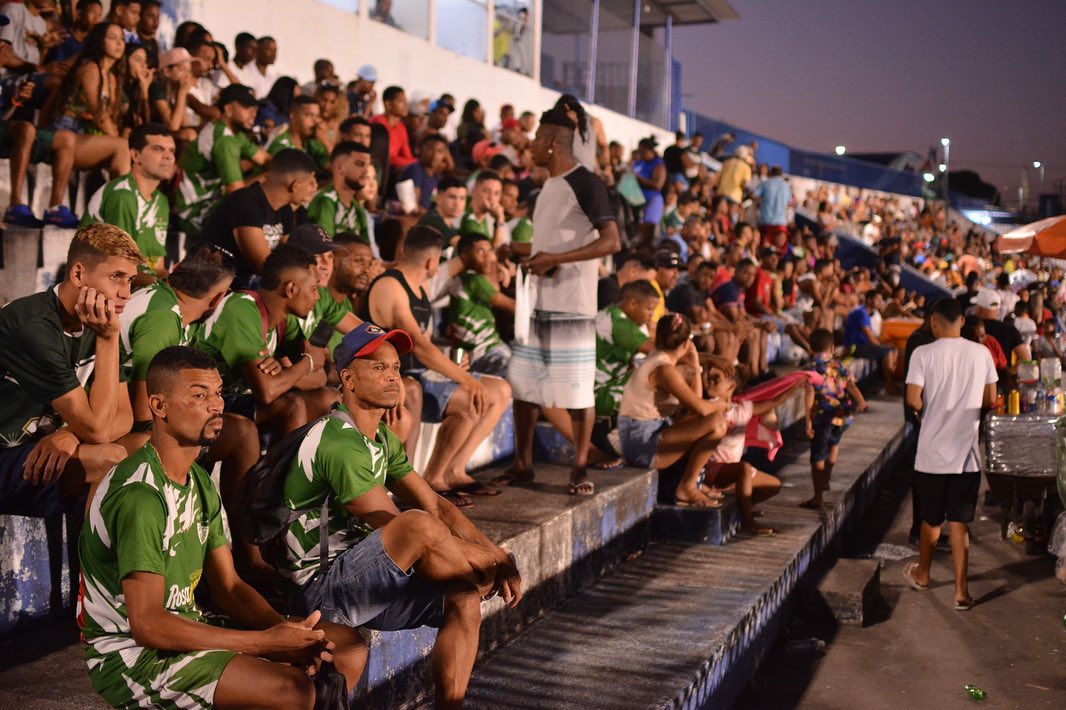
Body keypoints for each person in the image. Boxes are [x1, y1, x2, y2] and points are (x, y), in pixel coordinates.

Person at [78, 345, 365, 709]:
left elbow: (229, 588)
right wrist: (264, 643)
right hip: (132, 655)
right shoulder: (141, 495)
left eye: (217, 393)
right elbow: (147, 624)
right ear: (159, 406)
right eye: (199, 396)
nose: (216, 405)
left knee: (346, 647)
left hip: (187, 624)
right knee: (294, 690)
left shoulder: (198, 481)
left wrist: (287, 635)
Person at [279, 322, 520, 707]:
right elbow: (402, 526)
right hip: (319, 587)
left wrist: (495, 555)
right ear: (348, 380)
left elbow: (437, 504)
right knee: (417, 525)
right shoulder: (337, 441)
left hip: (359, 573)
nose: (393, 376)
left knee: (462, 596)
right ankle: (480, 574)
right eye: (378, 368)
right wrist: (492, 560)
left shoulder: (381, 438)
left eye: (394, 367)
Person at [497, 106, 621, 496]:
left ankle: (579, 467)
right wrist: (515, 249)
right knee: (524, 385)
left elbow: (611, 241)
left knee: (577, 390)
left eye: (536, 139)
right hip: (538, 300)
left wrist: (555, 259)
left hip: (573, 303)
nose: (530, 146)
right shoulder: (548, 186)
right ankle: (522, 464)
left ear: (552, 143)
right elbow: (548, 243)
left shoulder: (586, 182)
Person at [361, 226, 511, 504]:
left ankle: (453, 471)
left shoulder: (421, 286)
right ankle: (433, 479)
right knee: (471, 399)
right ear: (432, 262)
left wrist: (453, 363)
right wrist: (465, 380)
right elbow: (418, 345)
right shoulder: (391, 285)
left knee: (501, 389)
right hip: (396, 373)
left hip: (419, 370)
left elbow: (426, 342)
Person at [0, 224, 141, 517]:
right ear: (78, 274)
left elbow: (124, 415)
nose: (126, 293)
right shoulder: (32, 327)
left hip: (41, 452)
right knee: (109, 457)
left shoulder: (99, 320)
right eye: (116, 277)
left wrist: (70, 434)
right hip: (8, 457)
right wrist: (108, 339)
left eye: (130, 280)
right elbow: (99, 431)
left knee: (148, 444)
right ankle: (86, 550)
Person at [903, 298, 997, 611]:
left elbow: (913, 399)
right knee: (959, 522)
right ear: (962, 322)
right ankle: (961, 591)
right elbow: (990, 397)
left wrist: (930, 409)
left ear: (934, 322)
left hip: (931, 454)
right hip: (966, 456)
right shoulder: (981, 353)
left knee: (930, 519)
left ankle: (923, 574)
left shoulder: (922, 353)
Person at [197, 244, 339, 437]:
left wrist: (284, 373)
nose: (317, 296)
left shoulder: (284, 321)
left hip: (239, 398)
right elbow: (267, 392)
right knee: (292, 405)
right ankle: (284, 458)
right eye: (314, 288)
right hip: (206, 402)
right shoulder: (241, 309)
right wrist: (307, 363)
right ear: (291, 289)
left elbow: (320, 377)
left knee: (329, 397)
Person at [617, 313, 728, 506]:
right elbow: (702, 408)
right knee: (717, 422)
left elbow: (695, 407)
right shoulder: (665, 369)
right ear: (686, 343)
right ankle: (688, 487)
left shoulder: (658, 358)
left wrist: (695, 364)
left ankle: (693, 482)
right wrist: (721, 404)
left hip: (646, 435)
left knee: (707, 421)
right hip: (641, 444)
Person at [702, 357, 802, 535]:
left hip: (731, 470)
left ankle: (743, 506)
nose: (710, 382)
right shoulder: (708, 406)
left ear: (731, 387)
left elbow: (772, 402)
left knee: (773, 485)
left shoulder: (740, 409)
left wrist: (795, 385)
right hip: (712, 469)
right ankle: (748, 521)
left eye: (716, 379)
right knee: (744, 468)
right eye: (708, 379)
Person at [199, 148, 317, 289]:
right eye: (311, 182)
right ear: (295, 185)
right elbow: (264, 267)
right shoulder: (246, 203)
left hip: (242, 285)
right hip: (210, 285)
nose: (315, 187)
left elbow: (292, 256)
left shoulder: (284, 209)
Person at [81, 123, 175, 285]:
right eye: (158, 149)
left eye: (172, 151)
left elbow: (158, 267)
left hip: (140, 284)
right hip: (103, 285)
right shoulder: (122, 196)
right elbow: (119, 268)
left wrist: (176, 284)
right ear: (135, 155)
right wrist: (162, 286)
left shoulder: (161, 201)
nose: (168, 156)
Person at [176, 83, 270, 235]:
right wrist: (270, 177)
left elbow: (265, 159)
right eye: (247, 107)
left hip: (209, 202)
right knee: (268, 185)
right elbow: (237, 192)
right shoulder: (224, 139)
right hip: (194, 211)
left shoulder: (233, 133)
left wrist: (285, 168)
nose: (254, 113)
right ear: (229, 109)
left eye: (255, 108)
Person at [801, 328, 868, 510]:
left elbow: (809, 394)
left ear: (811, 348)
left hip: (822, 417)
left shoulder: (811, 368)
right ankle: (827, 476)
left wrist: (808, 420)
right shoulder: (840, 366)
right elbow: (851, 386)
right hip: (842, 415)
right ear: (832, 348)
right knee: (834, 444)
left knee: (817, 455)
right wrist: (861, 401)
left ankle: (818, 497)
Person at [448, 232, 514, 377]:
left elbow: (495, 286)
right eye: (481, 251)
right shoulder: (472, 279)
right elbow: (510, 306)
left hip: (479, 350)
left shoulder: (466, 278)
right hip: (485, 351)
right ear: (465, 256)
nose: (488, 256)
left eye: (490, 250)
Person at [594, 279, 657, 418]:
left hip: (603, 386)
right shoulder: (619, 323)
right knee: (663, 375)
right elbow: (659, 353)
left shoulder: (611, 314)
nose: (651, 315)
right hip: (601, 392)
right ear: (633, 304)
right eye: (649, 309)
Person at [308, 141, 372, 240]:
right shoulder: (325, 201)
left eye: (368, 165)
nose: (366, 171)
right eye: (360, 164)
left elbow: (366, 246)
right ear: (339, 167)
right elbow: (326, 246)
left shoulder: (357, 207)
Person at [844, 290, 898, 391]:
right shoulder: (861, 313)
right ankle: (889, 385)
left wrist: (884, 345)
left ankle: (890, 381)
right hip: (855, 348)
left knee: (893, 349)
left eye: (881, 299)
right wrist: (883, 347)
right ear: (869, 300)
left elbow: (872, 336)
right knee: (889, 351)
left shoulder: (866, 313)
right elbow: (870, 337)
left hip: (862, 346)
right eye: (878, 299)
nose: (880, 302)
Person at [974, 288, 1029, 378]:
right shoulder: (1009, 329)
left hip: (978, 381)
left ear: (979, 309)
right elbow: (1026, 357)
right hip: (1004, 381)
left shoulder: (971, 329)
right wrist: (1014, 376)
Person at [267, 95, 329, 171]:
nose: (316, 121)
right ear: (293, 117)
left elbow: (335, 168)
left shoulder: (313, 144)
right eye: (309, 115)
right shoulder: (281, 147)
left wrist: (326, 142)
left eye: (317, 116)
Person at [370, 85, 417, 170]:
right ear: (388, 104)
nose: (406, 105)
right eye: (401, 101)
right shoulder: (377, 123)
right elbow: (383, 156)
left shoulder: (401, 127)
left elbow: (407, 155)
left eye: (406, 101)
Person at [397, 134, 449, 210]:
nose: (434, 155)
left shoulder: (436, 176)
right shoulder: (415, 170)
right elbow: (413, 208)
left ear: (444, 155)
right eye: (430, 149)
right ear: (422, 149)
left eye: (439, 151)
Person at [460, 170, 509, 246]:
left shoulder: (493, 217)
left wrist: (499, 220)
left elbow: (502, 247)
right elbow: (493, 249)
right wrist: (499, 220)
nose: (491, 198)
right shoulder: (459, 212)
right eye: (486, 191)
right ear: (473, 190)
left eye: (496, 194)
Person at [418, 175, 467, 246]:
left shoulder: (450, 225)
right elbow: (464, 246)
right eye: (452, 197)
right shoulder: (432, 220)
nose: (457, 204)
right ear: (439, 197)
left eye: (462, 198)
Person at [752, 165, 790, 252]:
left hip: (766, 222)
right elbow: (789, 202)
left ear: (771, 173)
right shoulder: (786, 186)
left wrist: (761, 200)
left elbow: (753, 195)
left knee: (764, 250)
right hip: (781, 224)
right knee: (779, 251)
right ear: (781, 174)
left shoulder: (765, 183)